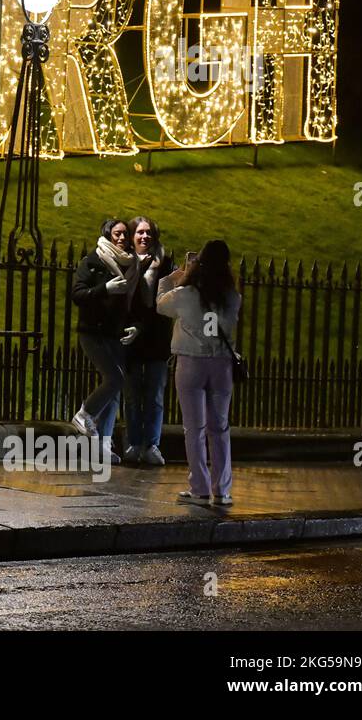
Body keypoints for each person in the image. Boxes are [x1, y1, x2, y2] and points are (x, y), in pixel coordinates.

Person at [156, 240, 241, 506]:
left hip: (191, 363)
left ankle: (200, 488)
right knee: (220, 427)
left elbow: (160, 304)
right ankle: (223, 490)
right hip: (221, 365)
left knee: (194, 428)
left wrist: (173, 278)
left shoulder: (185, 293)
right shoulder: (232, 297)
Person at [69, 218, 141, 464]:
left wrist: (135, 327)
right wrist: (105, 289)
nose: (121, 238)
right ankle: (84, 413)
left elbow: (133, 303)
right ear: (108, 235)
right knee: (115, 379)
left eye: (125, 234)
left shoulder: (132, 265)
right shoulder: (94, 260)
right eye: (117, 234)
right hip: (92, 331)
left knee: (113, 390)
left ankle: (102, 445)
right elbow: (77, 294)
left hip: (116, 333)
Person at [122, 216, 175, 466]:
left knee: (154, 394)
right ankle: (133, 443)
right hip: (131, 338)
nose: (145, 237)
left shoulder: (165, 265)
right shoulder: (126, 263)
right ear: (133, 237)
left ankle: (152, 444)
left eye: (149, 233)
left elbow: (166, 302)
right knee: (132, 394)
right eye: (140, 232)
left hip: (156, 338)